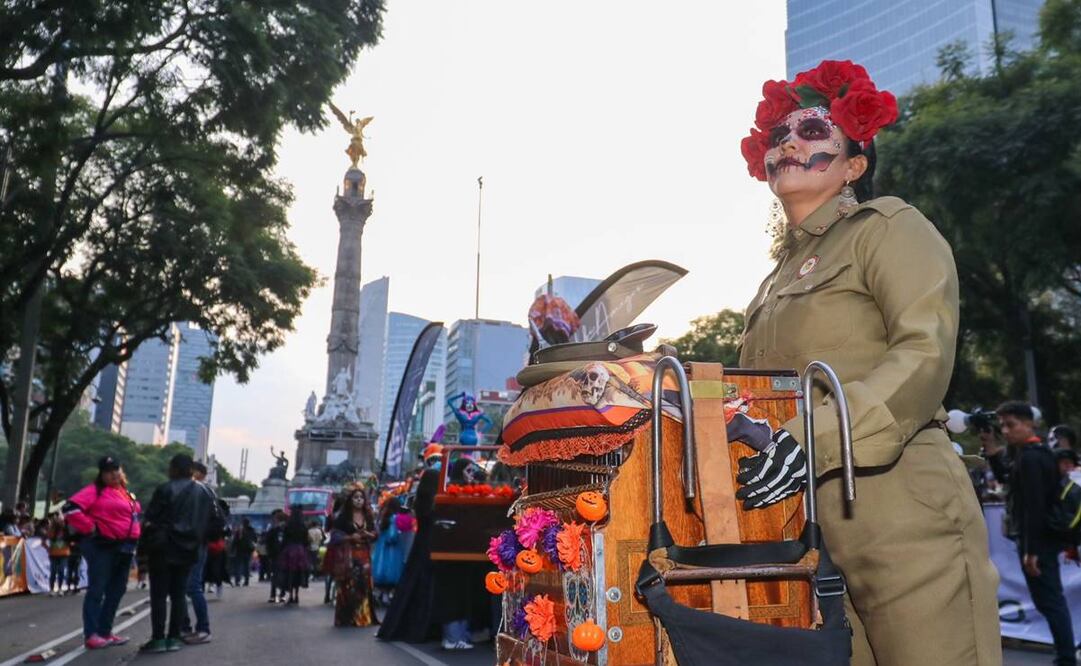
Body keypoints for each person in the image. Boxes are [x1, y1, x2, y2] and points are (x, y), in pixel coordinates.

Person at [733, 60, 1000, 665]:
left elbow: (924, 351)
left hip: (898, 501)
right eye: (780, 136)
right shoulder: (771, 281)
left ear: (854, 165)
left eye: (812, 132)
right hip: (802, 524)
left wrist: (814, 437)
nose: (790, 143)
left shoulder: (889, 228)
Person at [997, 402, 1076, 665]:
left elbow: (1034, 508)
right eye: (1002, 426)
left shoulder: (1031, 457)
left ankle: (1065, 657)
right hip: (1041, 541)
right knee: (1049, 601)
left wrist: (1031, 551)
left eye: (1011, 424)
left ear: (1029, 423)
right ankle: (1065, 654)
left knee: (1050, 601)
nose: (1006, 431)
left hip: (1038, 543)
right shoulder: (1036, 453)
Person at [62, 456, 141, 650]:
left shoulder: (125, 493)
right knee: (97, 589)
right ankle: (92, 634)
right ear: (102, 474)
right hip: (103, 546)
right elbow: (70, 509)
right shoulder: (94, 491)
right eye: (109, 471)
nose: (114, 474)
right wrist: (91, 528)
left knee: (117, 590)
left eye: (116, 469)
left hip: (126, 547)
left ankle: (105, 631)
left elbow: (136, 510)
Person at [139, 454, 214, 654]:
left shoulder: (165, 488)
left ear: (173, 468)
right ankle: (174, 636)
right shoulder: (204, 492)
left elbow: (150, 518)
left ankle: (158, 638)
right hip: (189, 549)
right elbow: (214, 521)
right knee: (179, 594)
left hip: (164, 547)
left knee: (159, 595)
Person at [179, 461, 224, 645]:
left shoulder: (198, 491)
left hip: (192, 543)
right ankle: (188, 627)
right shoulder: (205, 492)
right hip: (196, 543)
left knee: (191, 586)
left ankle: (201, 628)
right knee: (185, 587)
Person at [328, 487, 378, 626]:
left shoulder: (369, 516)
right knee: (348, 586)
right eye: (355, 497)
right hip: (348, 556)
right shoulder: (343, 517)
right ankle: (347, 618)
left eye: (361, 498)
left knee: (363, 585)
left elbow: (375, 533)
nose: (358, 500)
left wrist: (370, 535)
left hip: (364, 555)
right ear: (350, 500)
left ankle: (363, 617)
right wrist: (350, 537)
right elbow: (334, 536)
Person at [278, 507, 311, 605]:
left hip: (289, 550)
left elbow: (284, 540)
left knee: (289, 572)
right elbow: (306, 541)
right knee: (299, 573)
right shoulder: (303, 526)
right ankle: (297, 595)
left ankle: (290, 595)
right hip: (300, 551)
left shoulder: (288, 526)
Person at [264, 510, 287, 603]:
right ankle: (282, 594)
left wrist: (269, 554)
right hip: (284, 556)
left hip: (276, 556)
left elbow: (268, 543)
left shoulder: (273, 530)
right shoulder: (287, 530)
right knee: (284, 575)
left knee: (274, 575)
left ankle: (273, 595)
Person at [46, 513, 71, 597]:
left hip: (64, 554)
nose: (61, 523)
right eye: (59, 522)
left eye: (62, 522)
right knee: (53, 572)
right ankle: (51, 589)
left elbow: (72, 540)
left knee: (61, 571)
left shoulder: (67, 532)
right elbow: (43, 540)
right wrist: (48, 548)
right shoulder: (52, 531)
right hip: (53, 554)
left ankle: (60, 588)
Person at [230, 518, 257, 586]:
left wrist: (232, 549)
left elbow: (235, 541)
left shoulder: (240, 531)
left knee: (238, 566)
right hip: (248, 551)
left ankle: (238, 581)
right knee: (247, 566)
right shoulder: (252, 530)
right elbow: (255, 540)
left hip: (240, 550)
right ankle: (246, 581)